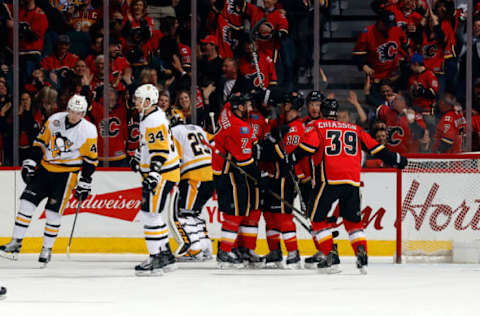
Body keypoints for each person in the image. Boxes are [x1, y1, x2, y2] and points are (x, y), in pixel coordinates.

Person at [290, 97, 408, 274]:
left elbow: (305, 149)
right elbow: (376, 149)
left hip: (329, 180)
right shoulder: (354, 128)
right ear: (336, 113)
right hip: (352, 182)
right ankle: (362, 256)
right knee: (353, 222)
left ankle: (331, 258)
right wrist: (396, 159)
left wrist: (288, 159)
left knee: (317, 219)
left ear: (322, 112)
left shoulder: (316, 127)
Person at [0, 95, 98, 266]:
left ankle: (47, 248)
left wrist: (85, 181)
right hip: (45, 169)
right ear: (67, 108)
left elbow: (90, 159)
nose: (74, 115)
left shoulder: (88, 130)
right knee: (26, 203)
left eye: (78, 113)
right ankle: (16, 242)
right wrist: (31, 162)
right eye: (72, 111)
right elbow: (40, 143)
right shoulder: (54, 120)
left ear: (83, 113)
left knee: (53, 212)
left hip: (66, 175)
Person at [129, 84, 179, 275]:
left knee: (149, 213)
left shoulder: (154, 120)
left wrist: (154, 173)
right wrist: (138, 156)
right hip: (165, 171)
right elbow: (148, 143)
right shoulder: (150, 116)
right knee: (153, 212)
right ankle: (165, 255)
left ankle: (155, 256)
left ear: (148, 101)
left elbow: (160, 150)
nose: (135, 102)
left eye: (138, 99)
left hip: (163, 172)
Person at [213, 92, 256, 268]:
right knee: (235, 213)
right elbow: (245, 161)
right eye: (247, 105)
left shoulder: (225, 113)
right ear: (239, 107)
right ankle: (225, 251)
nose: (250, 108)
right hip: (231, 174)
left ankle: (230, 249)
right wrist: (258, 177)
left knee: (234, 212)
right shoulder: (240, 128)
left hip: (220, 171)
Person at [170, 114, 214, 261]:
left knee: (184, 214)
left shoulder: (174, 131)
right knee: (195, 213)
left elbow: (177, 158)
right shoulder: (199, 129)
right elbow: (214, 142)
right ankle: (206, 247)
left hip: (193, 176)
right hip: (211, 174)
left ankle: (194, 250)